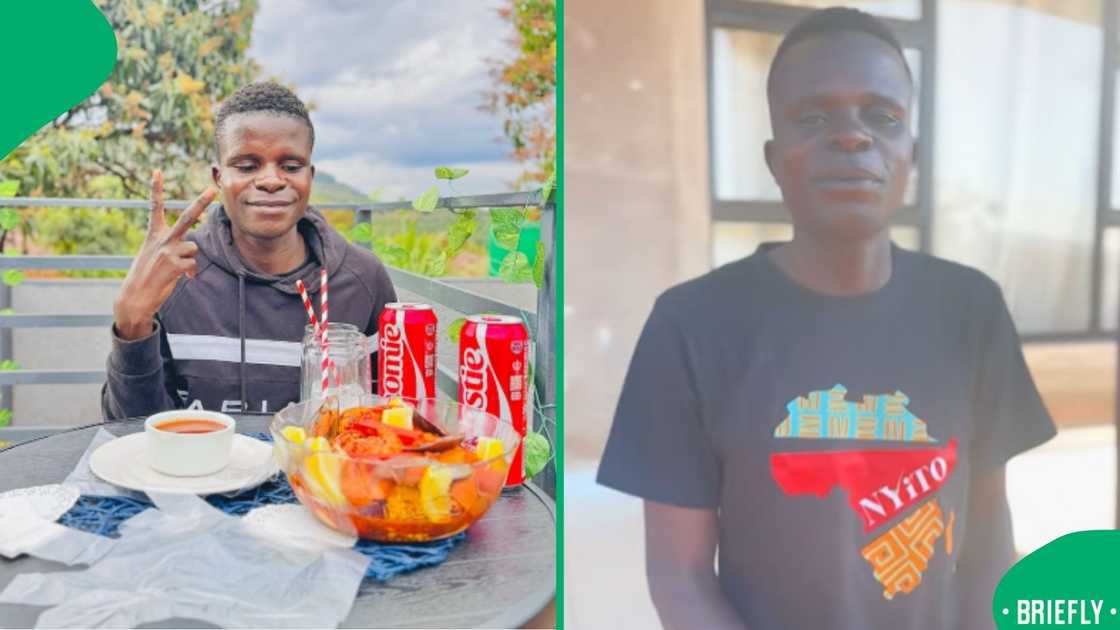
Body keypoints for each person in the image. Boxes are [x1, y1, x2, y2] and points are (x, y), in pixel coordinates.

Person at [597, 7, 1055, 630]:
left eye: (882, 117)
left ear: (910, 155)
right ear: (774, 158)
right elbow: (681, 578)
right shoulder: (691, 327)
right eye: (813, 118)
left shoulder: (972, 310)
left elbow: (988, 539)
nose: (852, 136)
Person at [102, 82, 396, 420]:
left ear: (310, 177)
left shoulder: (363, 279)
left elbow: (390, 423)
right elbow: (131, 430)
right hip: (198, 471)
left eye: (290, 166)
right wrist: (131, 324)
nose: (271, 180)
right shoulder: (175, 273)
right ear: (218, 177)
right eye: (246, 166)